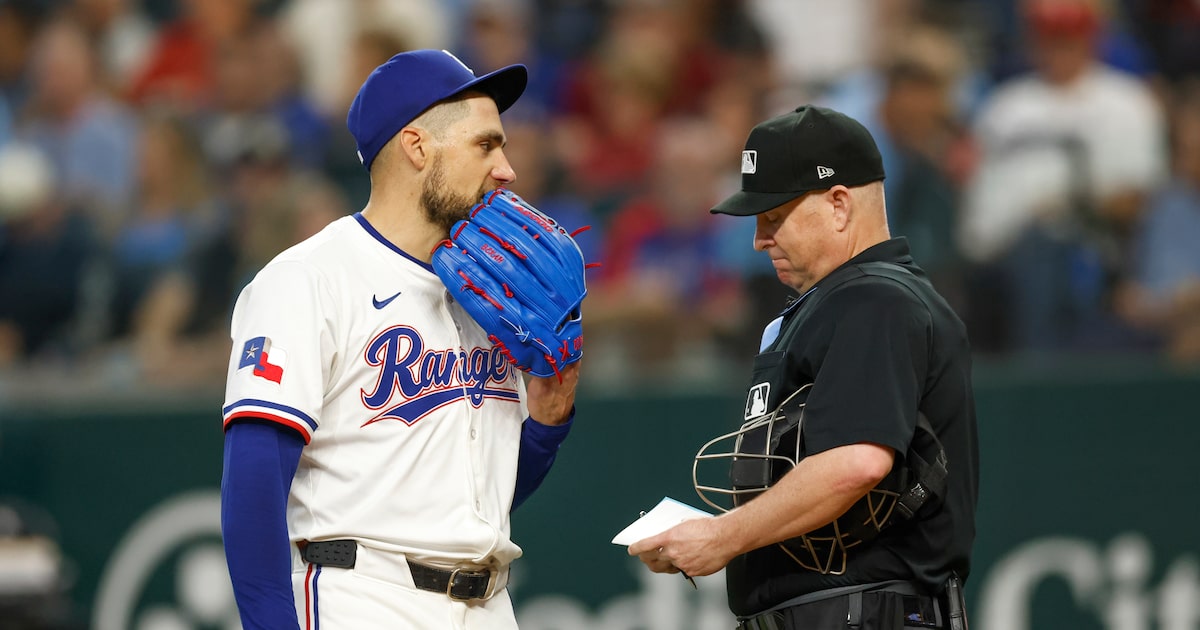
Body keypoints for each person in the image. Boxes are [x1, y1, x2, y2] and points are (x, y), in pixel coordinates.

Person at [220, 49, 580, 630]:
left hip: (489, 603)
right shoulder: (309, 279)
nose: (507, 169)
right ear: (417, 146)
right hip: (363, 596)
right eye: (486, 145)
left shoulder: (495, 293)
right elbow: (254, 482)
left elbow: (481, 502)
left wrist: (548, 424)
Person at [628, 105, 979, 629]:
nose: (759, 240)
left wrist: (723, 537)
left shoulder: (875, 298)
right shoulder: (837, 303)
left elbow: (856, 462)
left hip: (865, 611)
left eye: (774, 218)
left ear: (839, 205)